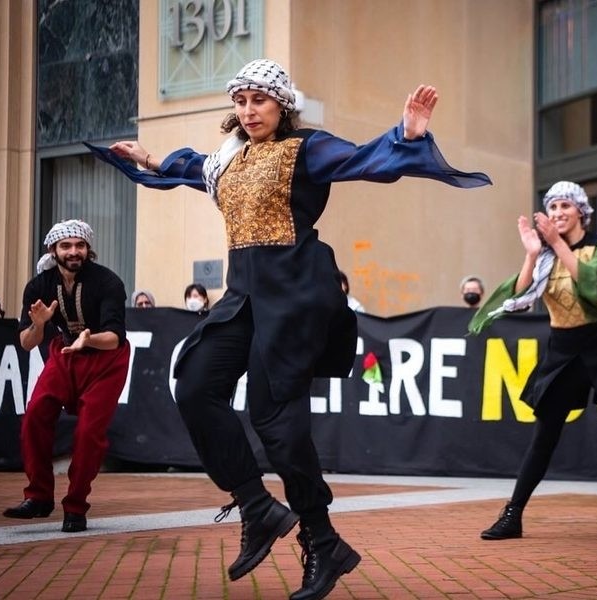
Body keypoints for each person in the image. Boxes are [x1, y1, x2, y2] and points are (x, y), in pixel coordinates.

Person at [91, 58, 490, 597]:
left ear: (282, 104)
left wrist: (404, 136)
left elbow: (360, 161)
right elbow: (190, 167)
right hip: (246, 297)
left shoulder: (308, 148)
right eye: (240, 101)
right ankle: (258, 508)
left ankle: (322, 541)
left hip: (297, 297)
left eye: (259, 99)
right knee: (195, 383)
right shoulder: (229, 160)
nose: (249, 110)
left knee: (275, 421)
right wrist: (151, 157)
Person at [469, 181, 597, 549]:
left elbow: (591, 285)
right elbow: (520, 292)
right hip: (563, 348)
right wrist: (530, 253)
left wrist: (556, 244)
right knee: (544, 435)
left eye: (565, 206)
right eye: (552, 207)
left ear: (581, 212)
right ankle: (513, 514)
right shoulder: (543, 253)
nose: (557, 213)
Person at [2, 219, 130, 533]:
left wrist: (89, 339)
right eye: (66, 246)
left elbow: (114, 336)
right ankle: (39, 496)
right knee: (35, 414)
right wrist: (41, 324)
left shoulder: (108, 282)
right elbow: (26, 342)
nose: (74, 251)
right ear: (54, 250)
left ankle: (75, 506)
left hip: (106, 360)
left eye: (80, 245)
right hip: (64, 355)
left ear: (88, 249)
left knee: (88, 433)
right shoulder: (39, 286)